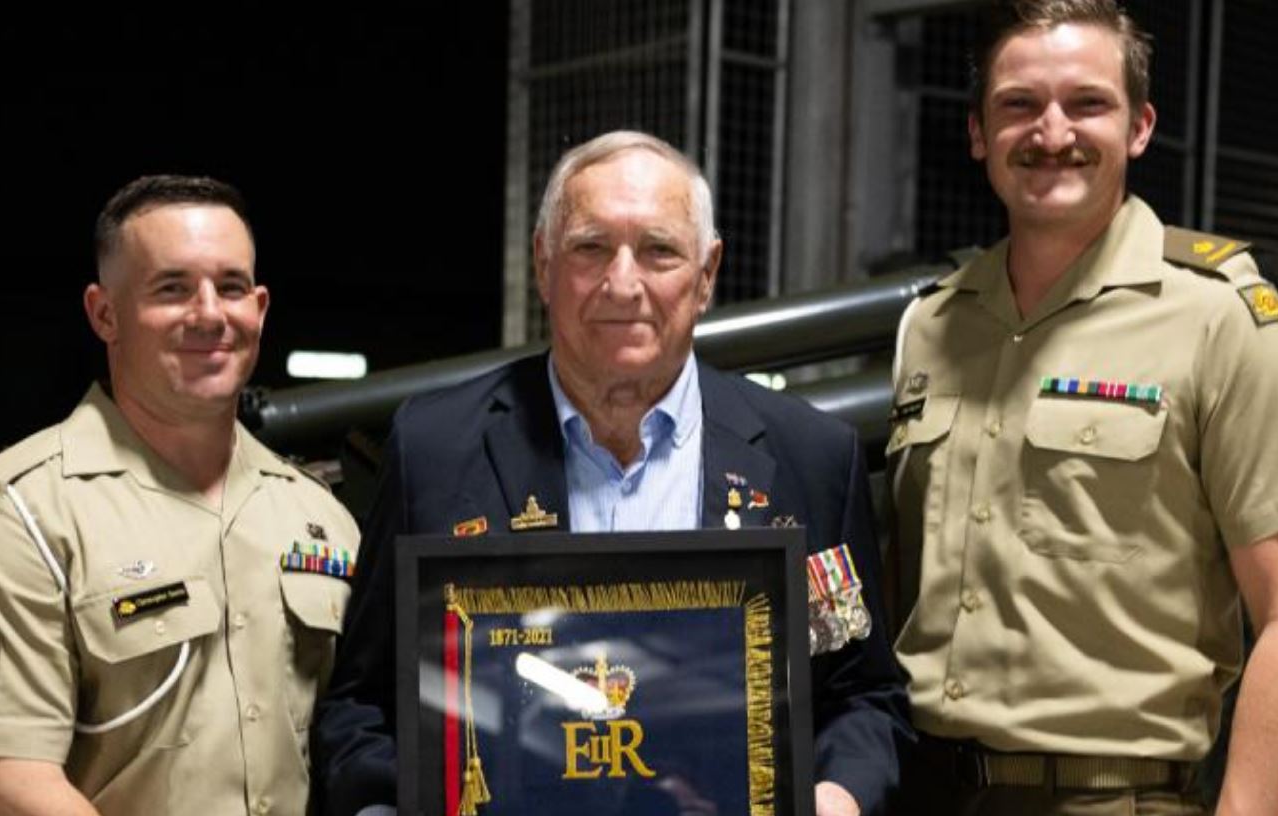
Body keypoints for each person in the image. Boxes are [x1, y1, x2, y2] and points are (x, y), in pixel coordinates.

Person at [314, 130, 912, 816]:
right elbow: (360, 703)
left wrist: (836, 798)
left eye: (658, 250)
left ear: (707, 274)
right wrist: (382, 805)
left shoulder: (807, 454)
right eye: (589, 247)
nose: (621, 283)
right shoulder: (437, 447)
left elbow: (865, 698)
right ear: (543, 265)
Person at [885, 2, 1278, 814]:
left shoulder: (1218, 317)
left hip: (1113, 796)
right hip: (922, 789)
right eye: (1018, 104)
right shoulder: (932, 324)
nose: (1050, 130)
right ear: (976, 132)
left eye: (1086, 103)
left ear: (1139, 127)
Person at [0, 175, 359, 815]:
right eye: (172, 288)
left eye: (230, 287)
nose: (209, 313)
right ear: (104, 312)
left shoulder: (319, 519)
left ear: (259, 307)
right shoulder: (16, 517)